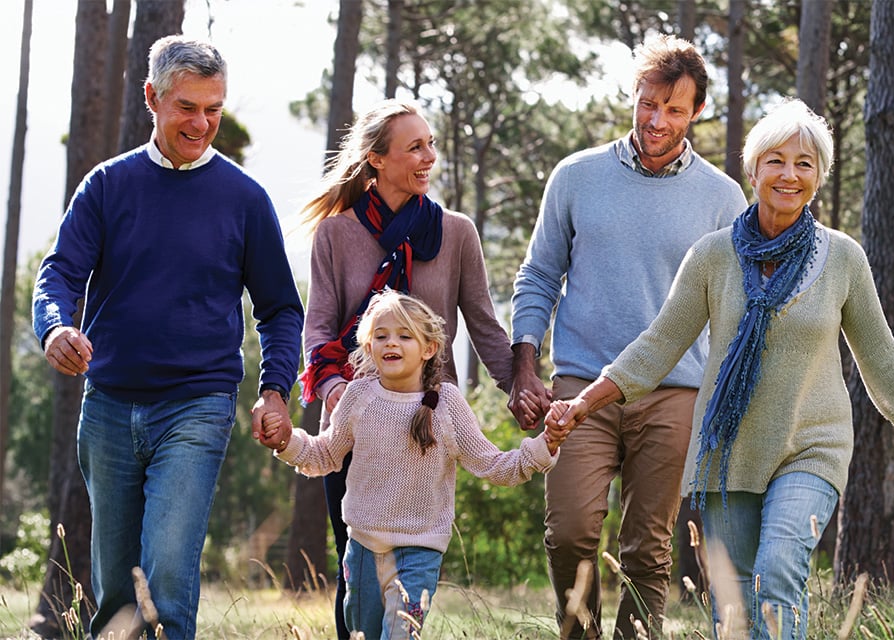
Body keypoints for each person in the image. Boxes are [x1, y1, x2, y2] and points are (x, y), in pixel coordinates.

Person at [546, 99, 894, 640]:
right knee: (735, 597)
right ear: (753, 169)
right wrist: (582, 403)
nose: (789, 174)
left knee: (780, 565)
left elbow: (880, 353)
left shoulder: (842, 258)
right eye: (776, 160)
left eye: (804, 163)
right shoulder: (713, 256)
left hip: (812, 445)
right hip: (729, 450)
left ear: (819, 177)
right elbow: (657, 346)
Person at [31, 35, 303, 639]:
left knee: (166, 582)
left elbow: (282, 308)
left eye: (214, 109)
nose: (202, 123)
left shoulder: (245, 200)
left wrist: (276, 389)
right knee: (113, 592)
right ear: (152, 97)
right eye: (187, 107)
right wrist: (55, 326)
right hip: (107, 408)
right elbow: (59, 274)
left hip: (197, 404)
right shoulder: (106, 186)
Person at [507, 34, 748, 639]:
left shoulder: (723, 200)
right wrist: (525, 364)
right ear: (634, 97)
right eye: (647, 103)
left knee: (648, 547)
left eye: (673, 109)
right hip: (581, 385)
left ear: (695, 113)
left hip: (675, 394)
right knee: (570, 529)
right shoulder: (576, 176)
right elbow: (538, 274)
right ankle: (579, 633)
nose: (656, 120)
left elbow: (734, 312)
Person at [295, 98, 529, 639]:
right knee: (355, 573)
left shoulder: (456, 232)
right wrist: (335, 394)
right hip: (355, 419)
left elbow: (485, 325)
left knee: (414, 569)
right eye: (415, 147)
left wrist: (518, 389)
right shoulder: (335, 234)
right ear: (377, 159)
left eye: (431, 144)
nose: (429, 157)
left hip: (426, 422)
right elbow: (319, 327)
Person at [259, 291, 563, 640]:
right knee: (362, 635)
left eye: (405, 336)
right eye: (381, 335)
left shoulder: (447, 405)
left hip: (418, 552)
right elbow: (325, 455)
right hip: (362, 551)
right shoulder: (358, 397)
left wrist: (545, 445)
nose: (392, 343)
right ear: (369, 345)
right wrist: (285, 441)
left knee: (401, 636)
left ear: (429, 348)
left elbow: (493, 465)